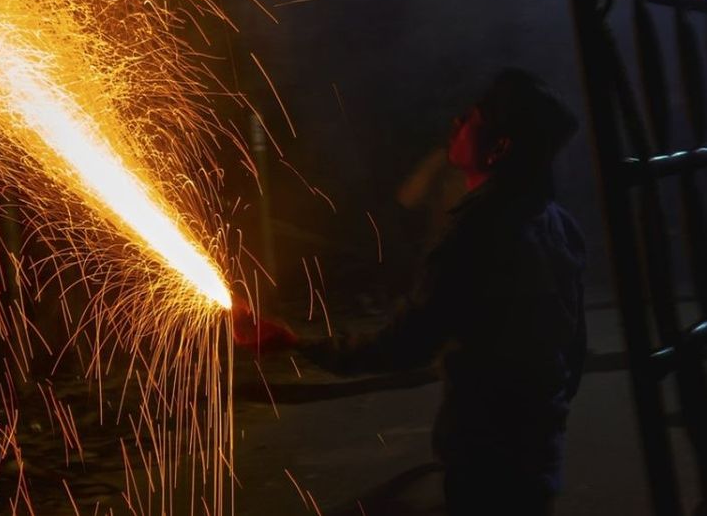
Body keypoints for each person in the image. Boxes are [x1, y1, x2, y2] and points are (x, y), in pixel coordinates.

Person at [239, 69, 587, 516]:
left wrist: (302, 346)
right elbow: (572, 348)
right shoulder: (557, 224)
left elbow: (406, 342)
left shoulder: (479, 234)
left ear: (499, 149)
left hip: (489, 456)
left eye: (472, 118)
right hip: (537, 446)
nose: (457, 122)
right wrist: (546, 408)